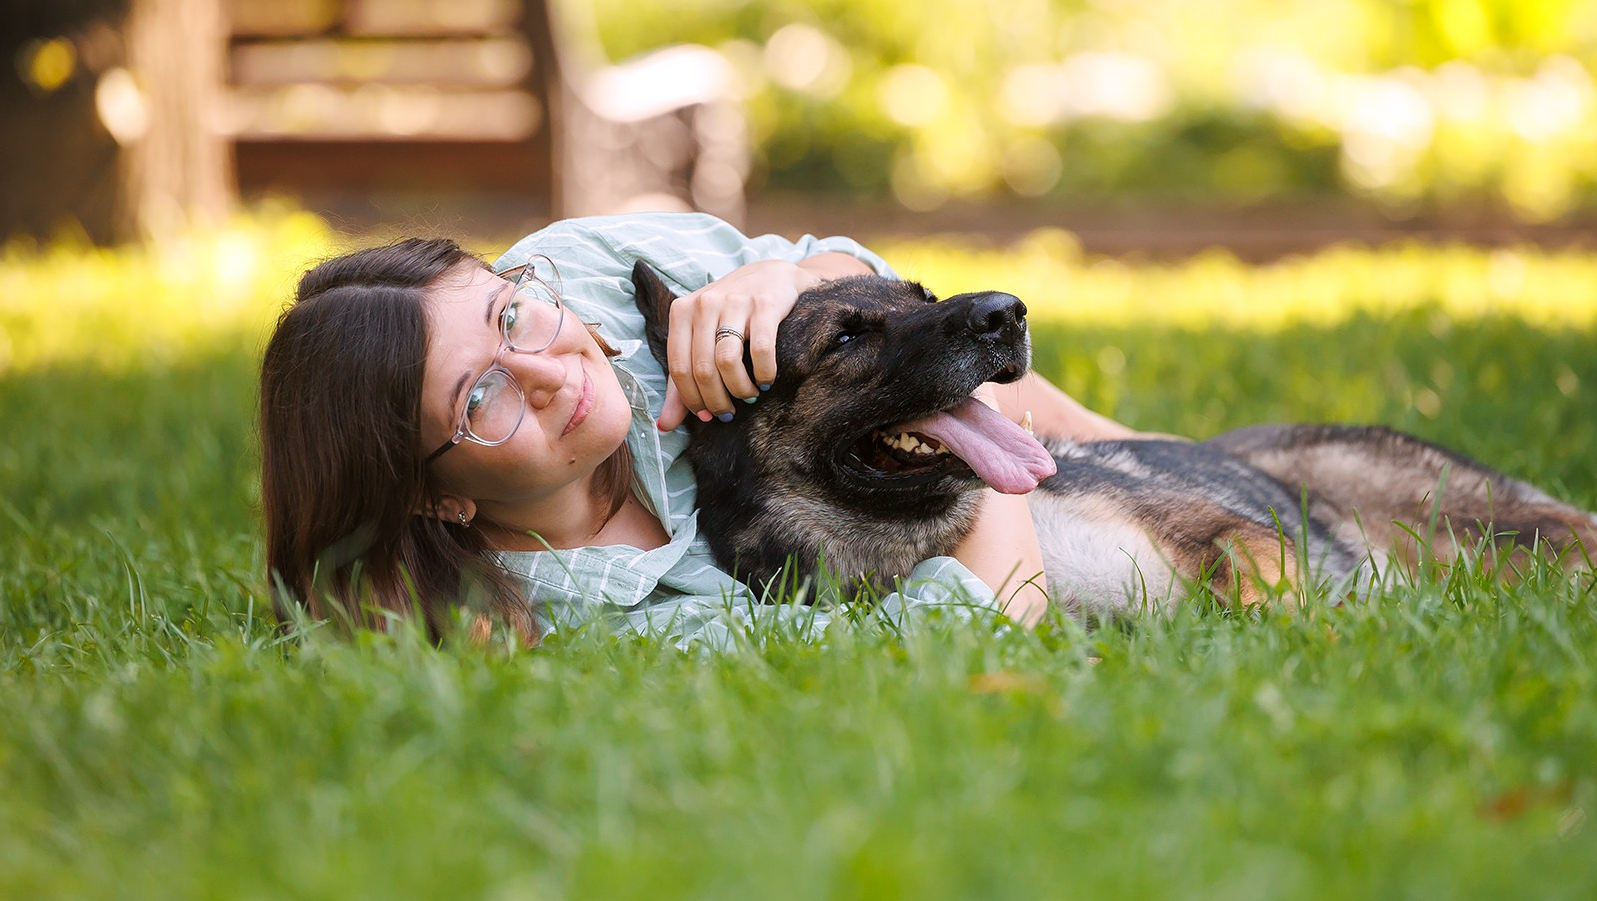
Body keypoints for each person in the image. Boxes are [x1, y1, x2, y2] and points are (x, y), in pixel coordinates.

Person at [259, 213, 1139, 647]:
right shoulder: (584, 621)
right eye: (480, 398)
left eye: (511, 313)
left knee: (1138, 457)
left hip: (965, 422)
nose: (547, 365)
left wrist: (786, 275)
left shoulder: (591, 273)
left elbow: (869, 289)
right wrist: (982, 452)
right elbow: (954, 637)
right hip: (970, 464)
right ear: (440, 497)